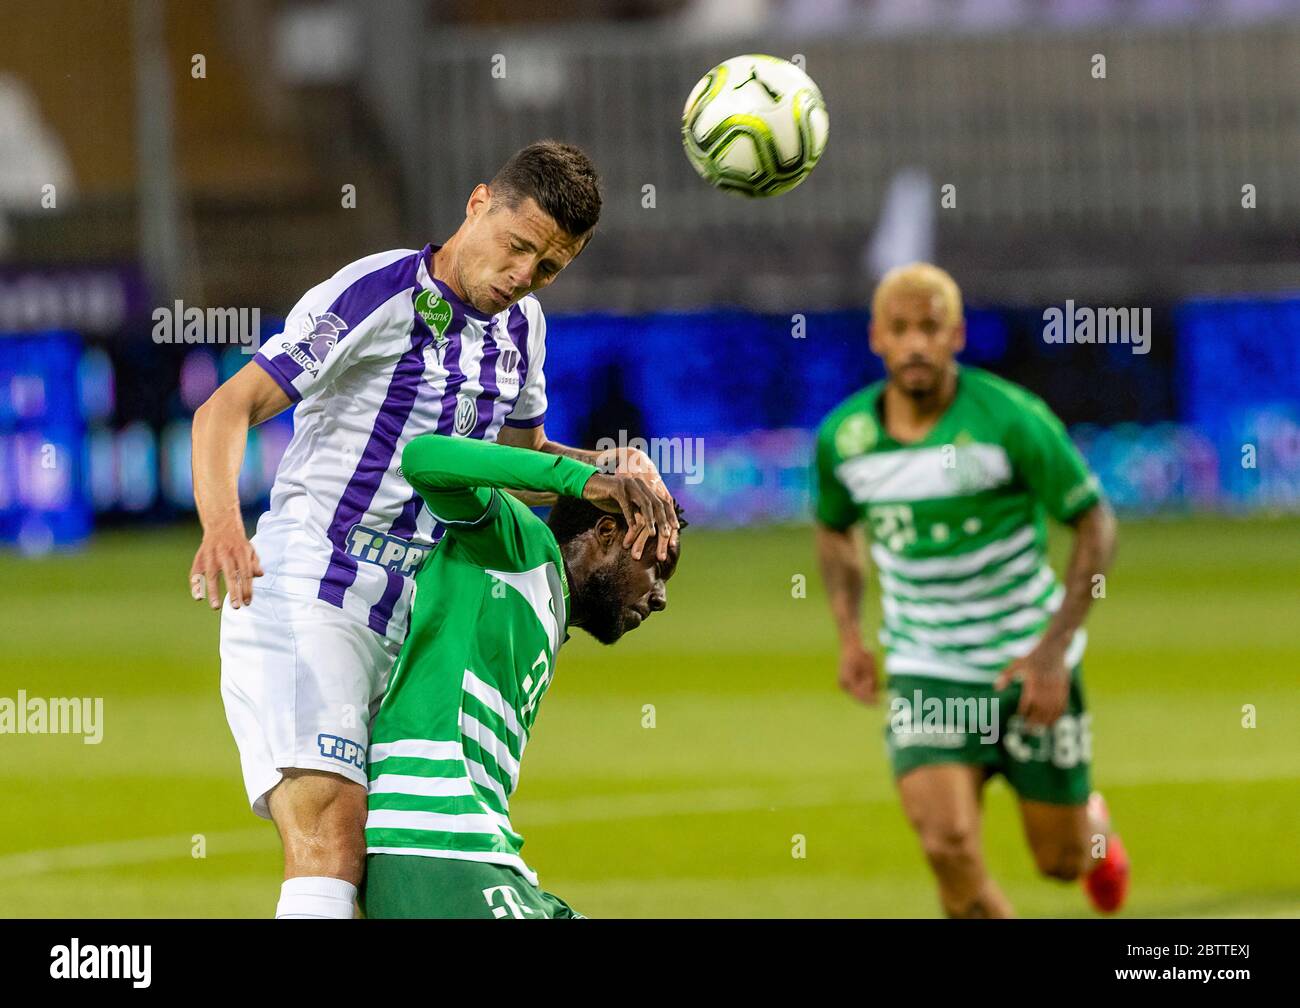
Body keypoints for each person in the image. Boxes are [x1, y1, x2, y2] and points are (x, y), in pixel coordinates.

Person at [190, 140, 678, 919]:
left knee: (378, 863)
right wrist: (222, 525)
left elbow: (515, 468)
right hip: (313, 590)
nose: (522, 277)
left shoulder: (526, 330)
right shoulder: (377, 293)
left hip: (407, 620)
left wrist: (610, 467)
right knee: (330, 839)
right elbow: (226, 406)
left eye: (548, 268)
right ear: (478, 203)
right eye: (517, 248)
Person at [812, 262, 1129, 918]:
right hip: (929, 669)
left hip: (1028, 662)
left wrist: (1052, 651)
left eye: (931, 328)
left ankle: (1095, 831)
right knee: (947, 844)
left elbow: (1094, 524)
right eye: (901, 329)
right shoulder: (845, 440)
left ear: (956, 335)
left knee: (1061, 863)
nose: (916, 343)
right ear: (877, 338)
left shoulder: (1012, 419)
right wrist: (848, 635)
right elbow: (836, 534)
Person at [361, 434, 681, 918]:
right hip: (434, 842)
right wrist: (588, 479)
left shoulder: (549, 608)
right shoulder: (517, 548)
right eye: (658, 567)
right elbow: (422, 459)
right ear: (608, 532)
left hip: (480, 853)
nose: (659, 597)